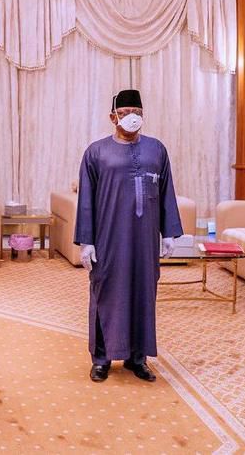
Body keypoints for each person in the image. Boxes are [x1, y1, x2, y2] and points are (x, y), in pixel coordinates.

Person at [74, 89, 183, 383]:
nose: (131, 117)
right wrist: (87, 241)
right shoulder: (96, 152)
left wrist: (169, 233)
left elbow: (166, 191)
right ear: (113, 117)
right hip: (108, 239)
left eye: (137, 111)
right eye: (125, 113)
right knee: (105, 294)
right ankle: (101, 359)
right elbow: (86, 199)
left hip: (145, 241)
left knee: (143, 294)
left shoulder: (156, 149)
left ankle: (138, 358)